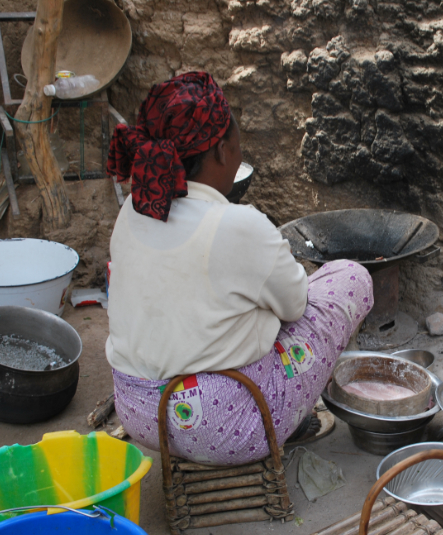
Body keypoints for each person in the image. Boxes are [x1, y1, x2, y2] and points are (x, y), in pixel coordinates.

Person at [105, 72, 373, 466]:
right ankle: (291, 420)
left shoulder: (133, 210)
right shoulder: (238, 226)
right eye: (237, 142)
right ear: (221, 153)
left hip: (140, 414)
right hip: (222, 427)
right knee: (351, 278)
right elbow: (296, 306)